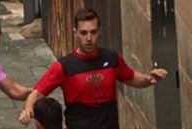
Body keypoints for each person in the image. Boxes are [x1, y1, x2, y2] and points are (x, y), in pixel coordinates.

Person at [19, 8, 168, 129]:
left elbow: (132, 78)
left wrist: (150, 79)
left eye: (93, 32)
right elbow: (36, 93)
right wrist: (27, 110)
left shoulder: (111, 59)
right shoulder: (64, 66)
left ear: (100, 31)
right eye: (83, 33)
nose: (89, 38)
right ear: (75, 32)